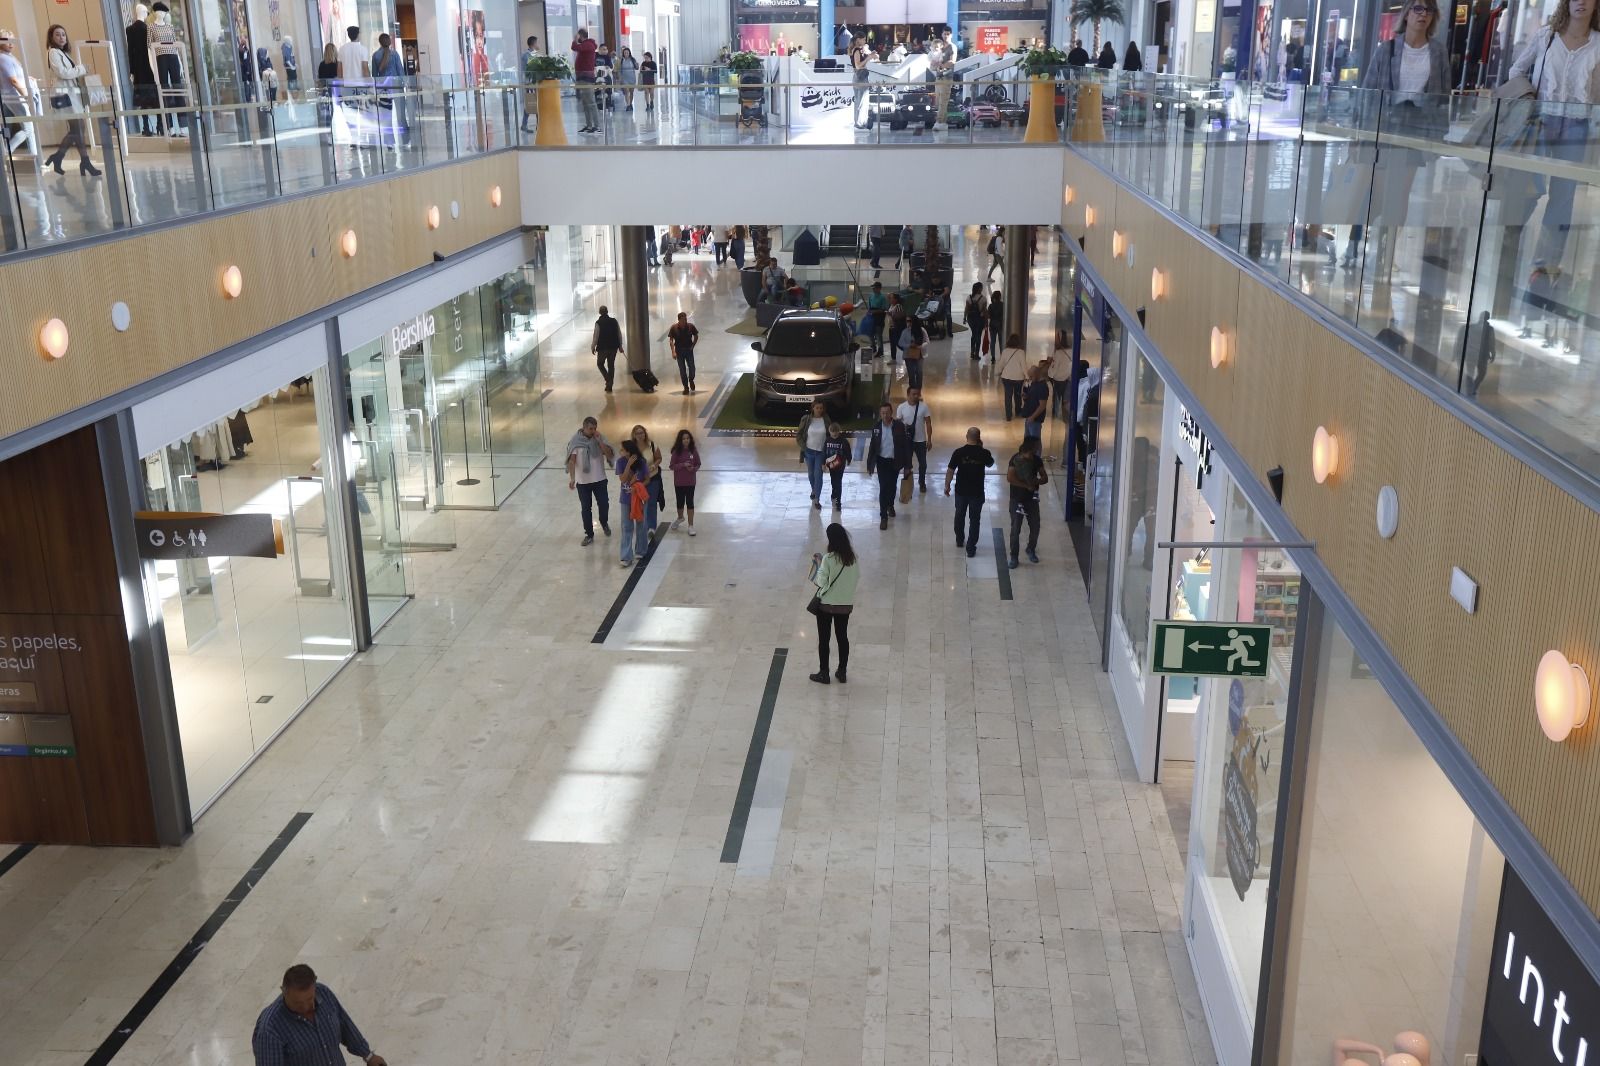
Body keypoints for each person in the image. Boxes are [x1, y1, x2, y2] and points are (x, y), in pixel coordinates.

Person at [1501, 0, 1599, 281]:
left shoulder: (1598, 43)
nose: (1581, 2)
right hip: (1540, 123)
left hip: (1577, 127)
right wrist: (1530, 99)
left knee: (1563, 199)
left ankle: (1545, 266)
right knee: (1529, 190)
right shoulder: (1547, 36)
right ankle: (1510, 242)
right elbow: (1516, 71)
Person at [254, 965, 386, 1066]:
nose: (306, 1007)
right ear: (284, 991)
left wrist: (368, 1056)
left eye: (310, 999)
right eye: (298, 1003)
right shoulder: (269, 1030)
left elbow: (345, 1025)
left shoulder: (323, 993)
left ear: (314, 985)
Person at [44, 25, 99, 176]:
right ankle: (81, 161)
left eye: (63, 34)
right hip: (64, 96)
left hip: (71, 95)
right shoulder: (53, 52)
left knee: (78, 129)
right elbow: (63, 73)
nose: (62, 37)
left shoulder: (63, 53)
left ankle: (62, 157)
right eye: (57, 35)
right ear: (51, 38)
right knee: (77, 129)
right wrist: (81, 69)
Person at [808, 522, 859, 685]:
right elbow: (856, 577)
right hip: (845, 605)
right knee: (842, 637)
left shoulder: (828, 559)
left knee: (824, 639)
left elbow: (821, 581)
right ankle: (842, 671)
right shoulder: (853, 559)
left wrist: (818, 564)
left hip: (826, 606)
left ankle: (824, 673)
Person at [945, 427, 995, 557]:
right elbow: (990, 464)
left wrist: (947, 485)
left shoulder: (958, 452)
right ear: (979, 437)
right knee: (974, 519)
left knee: (959, 515)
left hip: (961, 491)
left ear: (966, 436)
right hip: (977, 492)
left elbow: (950, 470)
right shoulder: (984, 453)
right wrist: (982, 448)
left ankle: (960, 539)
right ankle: (971, 547)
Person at [566, 416, 614, 545]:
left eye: (595, 428)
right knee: (586, 509)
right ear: (584, 427)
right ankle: (589, 534)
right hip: (583, 483)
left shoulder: (599, 438)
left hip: (600, 479)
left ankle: (604, 523)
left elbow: (609, 454)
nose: (593, 431)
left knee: (604, 504)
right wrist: (572, 478)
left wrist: (600, 442)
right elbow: (572, 461)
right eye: (590, 428)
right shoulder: (575, 441)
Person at [865, 402, 910, 529]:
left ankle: (890, 505)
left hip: (895, 461)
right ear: (880, 414)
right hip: (881, 461)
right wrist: (870, 465)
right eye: (883, 413)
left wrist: (908, 466)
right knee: (883, 487)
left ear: (891, 413)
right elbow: (873, 447)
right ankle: (883, 516)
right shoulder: (876, 427)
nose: (885, 415)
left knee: (892, 486)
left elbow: (905, 446)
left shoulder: (899, 426)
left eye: (887, 413)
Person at [1006, 436, 1048, 568]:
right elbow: (1010, 478)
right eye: (1035, 447)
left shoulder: (1036, 460)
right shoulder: (1015, 459)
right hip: (1016, 499)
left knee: (1035, 526)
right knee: (1015, 528)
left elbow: (1044, 476)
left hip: (1031, 500)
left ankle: (1031, 548)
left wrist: (1038, 481)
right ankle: (1014, 556)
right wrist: (1026, 486)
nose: (1036, 450)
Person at [615, 439, 651, 567]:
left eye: (622, 449)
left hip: (639, 498)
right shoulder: (620, 462)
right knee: (626, 526)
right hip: (625, 499)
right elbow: (622, 479)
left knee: (641, 524)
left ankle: (641, 550)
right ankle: (626, 556)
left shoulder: (641, 462)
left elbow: (647, 479)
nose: (620, 451)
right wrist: (628, 465)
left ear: (629, 451)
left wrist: (637, 486)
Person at [126, 8, 159, 135]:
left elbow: (130, 52)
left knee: (143, 101)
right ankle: (160, 126)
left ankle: (146, 127)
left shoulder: (130, 30)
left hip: (138, 70)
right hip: (150, 68)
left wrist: (132, 70)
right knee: (155, 99)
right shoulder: (148, 28)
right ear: (144, 13)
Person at [896, 386, 933, 492]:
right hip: (907, 441)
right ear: (908, 394)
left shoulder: (924, 407)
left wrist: (929, 439)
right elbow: (898, 425)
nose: (916, 396)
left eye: (918, 394)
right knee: (907, 464)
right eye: (914, 394)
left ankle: (922, 482)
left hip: (920, 441)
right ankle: (907, 484)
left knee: (923, 464)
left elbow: (928, 423)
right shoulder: (901, 407)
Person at [630, 423, 665, 532]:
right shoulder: (631, 448)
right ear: (634, 435)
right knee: (638, 502)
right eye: (637, 433)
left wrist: (654, 465)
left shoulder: (652, 445)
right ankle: (641, 524)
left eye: (642, 433)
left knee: (651, 502)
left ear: (645, 433)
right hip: (638, 481)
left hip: (653, 478)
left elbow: (659, 458)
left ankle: (651, 527)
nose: (640, 435)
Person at [0, 30, 31, 153]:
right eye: (7, 40)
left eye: (12, 40)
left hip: (8, 96)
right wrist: (26, 95)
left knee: (7, 127)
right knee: (28, 129)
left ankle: (5, 153)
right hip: (13, 96)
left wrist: (28, 79)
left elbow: (17, 76)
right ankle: (6, 152)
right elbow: (13, 80)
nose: (11, 43)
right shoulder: (4, 58)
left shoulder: (9, 57)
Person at [797, 400, 830, 508]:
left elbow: (830, 434)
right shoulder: (806, 419)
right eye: (817, 408)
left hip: (821, 453)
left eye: (821, 408)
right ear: (813, 408)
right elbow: (799, 435)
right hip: (809, 452)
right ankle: (813, 490)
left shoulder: (826, 419)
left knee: (818, 475)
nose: (819, 410)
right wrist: (804, 447)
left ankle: (817, 499)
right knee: (811, 474)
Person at [669, 429, 700, 534]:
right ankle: (680, 517)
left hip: (691, 482)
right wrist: (683, 465)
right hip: (679, 482)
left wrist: (693, 469)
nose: (686, 440)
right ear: (680, 440)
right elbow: (672, 466)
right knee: (680, 502)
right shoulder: (676, 452)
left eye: (688, 438)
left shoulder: (694, 451)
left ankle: (691, 526)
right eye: (683, 439)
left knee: (690, 502)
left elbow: (698, 463)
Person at [663, 310, 700, 394]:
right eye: (683, 320)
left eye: (686, 319)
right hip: (679, 351)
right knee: (682, 369)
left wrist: (693, 345)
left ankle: (691, 380)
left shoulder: (690, 326)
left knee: (692, 367)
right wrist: (673, 352)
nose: (685, 321)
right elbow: (671, 340)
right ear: (679, 320)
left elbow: (696, 335)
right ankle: (685, 387)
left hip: (688, 350)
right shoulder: (674, 328)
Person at [572, 28, 600, 134]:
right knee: (585, 102)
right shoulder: (585, 45)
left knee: (591, 102)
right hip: (581, 77)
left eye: (577, 35)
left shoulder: (588, 44)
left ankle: (596, 126)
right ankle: (589, 125)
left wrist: (575, 40)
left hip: (586, 78)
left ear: (581, 35)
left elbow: (574, 47)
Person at [929, 26, 956, 130]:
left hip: (947, 77)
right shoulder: (939, 46)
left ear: (951, 35)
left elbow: (952, 61)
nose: (946, 36)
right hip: (938, 77)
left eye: (948, 34)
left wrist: (941, 65)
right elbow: (933, 59)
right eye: (944, 34)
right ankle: (942, 122)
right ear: (942, 34)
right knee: (938, 100)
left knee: (943, 101)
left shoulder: (952, 47)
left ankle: (940, 122)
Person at [591, 305, 624, 392]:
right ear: (607, 311)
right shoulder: (614, 321)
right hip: (613, 347)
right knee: (611, 366)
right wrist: (620, 345)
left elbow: (595, 337)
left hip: (602, 348)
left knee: (600, 364)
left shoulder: (598, 323)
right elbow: (619, 334)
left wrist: (593, 347)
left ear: (599, 312)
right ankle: (609, 384)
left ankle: (608, 380)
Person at [996, 334, 1027, 420]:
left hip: (1006, 377)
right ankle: (1018, 411)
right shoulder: (1021, 352)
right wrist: (1027, 376)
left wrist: (997, 372)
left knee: (1008, 396)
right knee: (1018, 395)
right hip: (1018, 378)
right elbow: (1024, 366)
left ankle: (1008, 415)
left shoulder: (1005, 351)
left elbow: (1001, 364)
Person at [822, 422, 852, 509]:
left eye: (836, 431)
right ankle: (834, 492)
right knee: (833, 480)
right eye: (832, 431)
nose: (834, 433)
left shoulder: (843, 441)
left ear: (839, 431)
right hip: (831, 465)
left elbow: (848, 451)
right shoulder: (827, 440)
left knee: (838, 482)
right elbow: (824, 452)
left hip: (840, 465)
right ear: (829, 431)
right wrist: (823, 463)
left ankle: (838, 501)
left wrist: (849, 460)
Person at [1020, 364, 1050, 447]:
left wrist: (1033, 417)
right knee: (1027, 442)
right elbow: (1031, 398)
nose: (1030, 378)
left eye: (1031, 376)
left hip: (1035, 419)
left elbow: (1042, 405)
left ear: (1037, 374)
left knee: (1035, 443)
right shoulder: (1034, 383)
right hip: (1029, 417)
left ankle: (1036, 458)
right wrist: (1025, 397)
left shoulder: (1042, 387)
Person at [1046, 332, 1073, 419]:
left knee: (1057, 397)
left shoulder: (1058, 353)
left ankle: (1055, 414)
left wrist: (1049, 374)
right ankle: (1065, 415)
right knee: (1066, 398)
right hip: (1068, 378)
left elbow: (1055, 367)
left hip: (1059, 379)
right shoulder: (1071, 350)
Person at [899, 317, 928, 391]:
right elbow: (900, 343)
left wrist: (920, 346)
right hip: (908, 355)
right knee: (911, 373)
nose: (908, 323)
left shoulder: (922, 330)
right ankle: (913, 390)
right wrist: (909, 345)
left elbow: (927, 341)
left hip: (920, 354)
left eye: (909, 321)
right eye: (907, 321)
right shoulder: (905, 331)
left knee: (919, 372)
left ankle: (918, 390)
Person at [850, 32, 871, 128]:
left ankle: (859, 122)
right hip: (861, 78)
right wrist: (868, 58)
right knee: (862, 101)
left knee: (860, 101)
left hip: (857, 77)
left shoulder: (855, 50)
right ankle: (860, 122)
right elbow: (858, 65)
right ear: (858, 39)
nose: (865, 41)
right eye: (864, 39)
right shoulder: (857, 50)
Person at [963, 283, 988, 360]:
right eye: (981, 288)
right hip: (979, 319)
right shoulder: (983, 299)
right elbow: (984, 311)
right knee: (978, 335)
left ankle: (972, 352)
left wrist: (964, 318)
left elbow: (966, 309)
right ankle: (976, 353)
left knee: (973, 334)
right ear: (979, 289)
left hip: (971, 318)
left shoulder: (969, 297)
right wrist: (986, 321)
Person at [866, 281, 889, 356]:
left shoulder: (883, 297)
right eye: (873, 288)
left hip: (879, 318)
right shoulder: (871, 296)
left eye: (875, 288)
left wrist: (874, 312)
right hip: (871, 317)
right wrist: (869, 312)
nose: (873, 289)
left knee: (878, 335)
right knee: (870, 333)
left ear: (879, 288)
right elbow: (869, 308)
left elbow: (883, 309)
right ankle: (873, 347)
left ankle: (880, 350)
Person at [887, 292, 908, 361]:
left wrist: (891, 314)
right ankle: (893, 359)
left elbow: (900, 316)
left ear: (896, 299)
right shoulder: (891, 306)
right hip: (892, 327)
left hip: (898, 328)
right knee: (892, 344)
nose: (890, 299)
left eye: (891, 297)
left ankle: (908, 352)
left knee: (898, 343)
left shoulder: (898, 306)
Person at [617, 45, 638, 111]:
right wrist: (620, 78)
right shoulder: (621, 60)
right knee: (626, 92)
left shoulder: (632, 60)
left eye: (627, 53)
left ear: (629, 53)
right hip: (624, 78)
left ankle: (630, 103)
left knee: (631, 92)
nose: (626, 54)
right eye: (625, 53)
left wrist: (637, 64)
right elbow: (619, 70)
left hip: (632, 78)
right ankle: (628, 105)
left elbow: (636, 68)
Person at [986, 289, 1005, 361]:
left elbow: (989, 316)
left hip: (993, 325)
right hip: (1001, 325)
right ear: (1000, 297)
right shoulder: (1003, 305)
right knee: (1001, 341)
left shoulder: (991, 306)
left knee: (993, 341)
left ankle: (993, 357)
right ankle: (1002, 355)